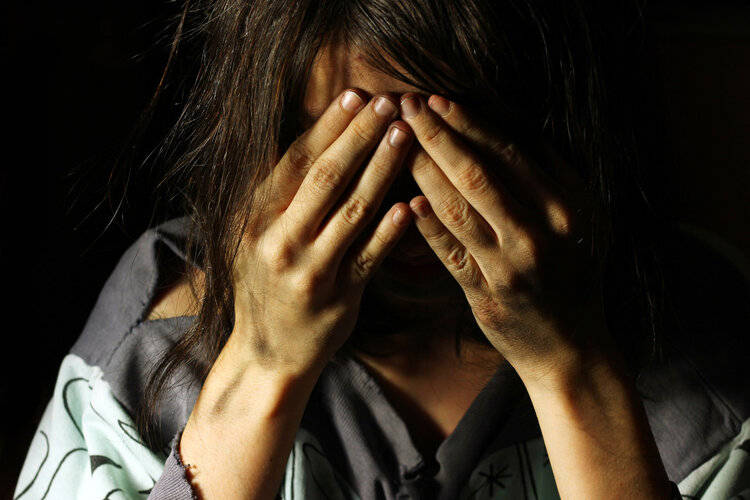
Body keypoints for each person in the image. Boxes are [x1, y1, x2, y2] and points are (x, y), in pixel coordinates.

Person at [14, 0, 750, 499]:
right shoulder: (158, 331)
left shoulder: (704, 336)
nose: (402, 209)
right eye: (349, 151)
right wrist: (261, 367)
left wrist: (575, 367)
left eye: (448, 150)